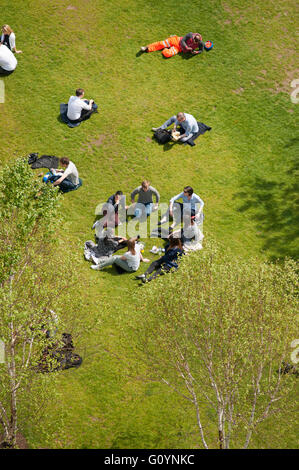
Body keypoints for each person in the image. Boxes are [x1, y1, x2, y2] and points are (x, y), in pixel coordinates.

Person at [140, 32, 204, 58]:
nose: (193, 41)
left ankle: (164, 48)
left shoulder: (201, 43)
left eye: (195, 41)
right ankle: (147, 48)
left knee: (167, 54)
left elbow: (201, 50)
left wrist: (196, 52)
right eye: (193, 40)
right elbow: (182, 41)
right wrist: (187, 47)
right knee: (161, 44)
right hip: (176, 41)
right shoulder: (190, 34)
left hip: (179, 49)